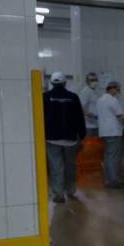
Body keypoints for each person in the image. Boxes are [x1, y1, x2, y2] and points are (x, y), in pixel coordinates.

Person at [43, 72, 87, 203]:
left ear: (51, 83)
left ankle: (58, 194)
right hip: (70, 138)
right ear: (65, 83)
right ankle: (71, 190)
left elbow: (41, 117)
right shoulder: (73, 97)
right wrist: (82, 135)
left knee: (56, 166)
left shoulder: (45, 97)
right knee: (70, 165)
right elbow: (80, 117)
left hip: (51, 138)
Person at [97, 81, 124, 188]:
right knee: (113, 157)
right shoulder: (113, 100)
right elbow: (120, 116)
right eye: (117, 90)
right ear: (113, 88)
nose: (117, 92)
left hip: (104, 132)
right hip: (113, 132)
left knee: (108, 156)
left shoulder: (100, 100)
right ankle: (114, 180)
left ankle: (108, 180)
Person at [78, 72, 102, 137]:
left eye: (96, 80)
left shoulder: (95, 92)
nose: (94, 82)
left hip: (96, 124)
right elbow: (80, 107)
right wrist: (89, 114)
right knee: (89, 143)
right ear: (86, 81)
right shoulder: (85, 92)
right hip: (88, 126)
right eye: (92, 80)